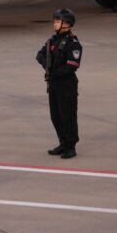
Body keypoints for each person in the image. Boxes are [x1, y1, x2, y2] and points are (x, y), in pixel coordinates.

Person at [37, 8, 82, 159]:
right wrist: (46, 65)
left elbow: (72, 65)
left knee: (67, 116)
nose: (54, 24)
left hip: (66, 85)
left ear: (67, 24)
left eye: (58, 21)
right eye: (55, 21)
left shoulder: (73, 43)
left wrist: (55, 72)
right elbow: (39, 55)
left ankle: (71, 146)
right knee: (55, 116)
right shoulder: (52, 40)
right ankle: (62, 143)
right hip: (54, 84)